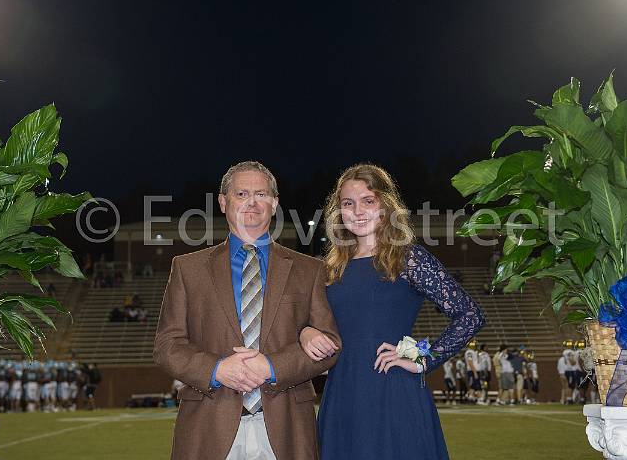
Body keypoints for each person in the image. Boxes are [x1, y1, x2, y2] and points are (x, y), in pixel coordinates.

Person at [154, 161, 342, 460]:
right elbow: (167, 346)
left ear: (274, 203)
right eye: (241, 194)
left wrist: (272, 366)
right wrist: (216, 369)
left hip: (286, 427)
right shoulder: (187, 268)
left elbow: (330, 346)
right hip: (209, 424)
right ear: (223, 201)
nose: (252, 202)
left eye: (261, 194)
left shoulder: (310, 270)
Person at [300, 163, 484, 459]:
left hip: (392, 390)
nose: (358, 211)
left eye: (368, 201)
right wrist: (306, 331)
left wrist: (424, 357)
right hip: (341, 395)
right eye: (348, 203)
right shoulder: (330, 269)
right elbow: (310, 322)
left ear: (386, 206)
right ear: (338, 211)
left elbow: (470, 316)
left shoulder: (407, 258)